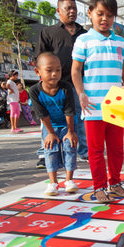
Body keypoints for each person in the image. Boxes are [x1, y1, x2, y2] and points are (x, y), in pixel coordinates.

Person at [71, 0, 124, 203]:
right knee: (96, 150)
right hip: (92, 104)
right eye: (100, 13)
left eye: (109, 15)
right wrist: (81, 93)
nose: (104, 19)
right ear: (89, 13)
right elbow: (75, 70)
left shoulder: (120, 42)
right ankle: (99, 187)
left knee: (116, 148)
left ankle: (115, 183)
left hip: (117, 102)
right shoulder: (83, 40)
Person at [35, 0, 88, 167]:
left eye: (74, 8)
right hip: (54, 86)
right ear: (58, 11)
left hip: (78, 84)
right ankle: (46, 153)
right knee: (50, 118)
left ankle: (84, 152)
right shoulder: (48, 32)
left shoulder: (84, 34)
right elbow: (40, 58)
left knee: (80, 118)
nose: (72, 11)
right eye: (67, 8)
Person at [30, 52, 79, 196]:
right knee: (50, 150)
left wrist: (71, 131)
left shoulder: (66, 87)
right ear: (38, 71)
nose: (54, 74)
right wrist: (50, 133)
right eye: (49, 70)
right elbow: (42, 114)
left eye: (58, 70)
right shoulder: (34, 91)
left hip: (68, 124)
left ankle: (69, 180)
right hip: (49, 126)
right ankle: (53, 183)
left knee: (70, 147)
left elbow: (70, 110)